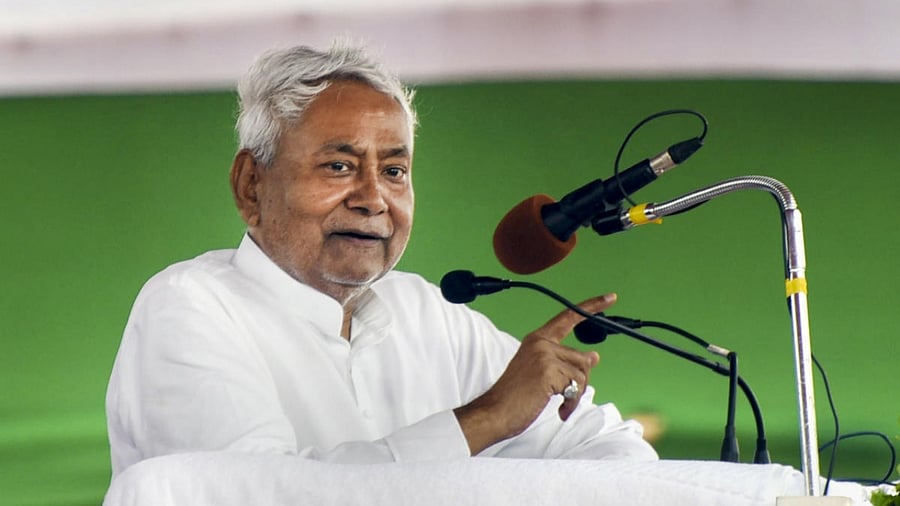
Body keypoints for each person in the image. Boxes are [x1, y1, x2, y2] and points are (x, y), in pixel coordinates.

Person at [105, 41, 658, 476]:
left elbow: (611, 450)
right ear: (252, 185)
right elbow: (259, 492)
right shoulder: (188, 308)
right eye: (339, 167)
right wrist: (485, 421)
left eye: (394, 171)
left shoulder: (427, 313)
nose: (373, 198)